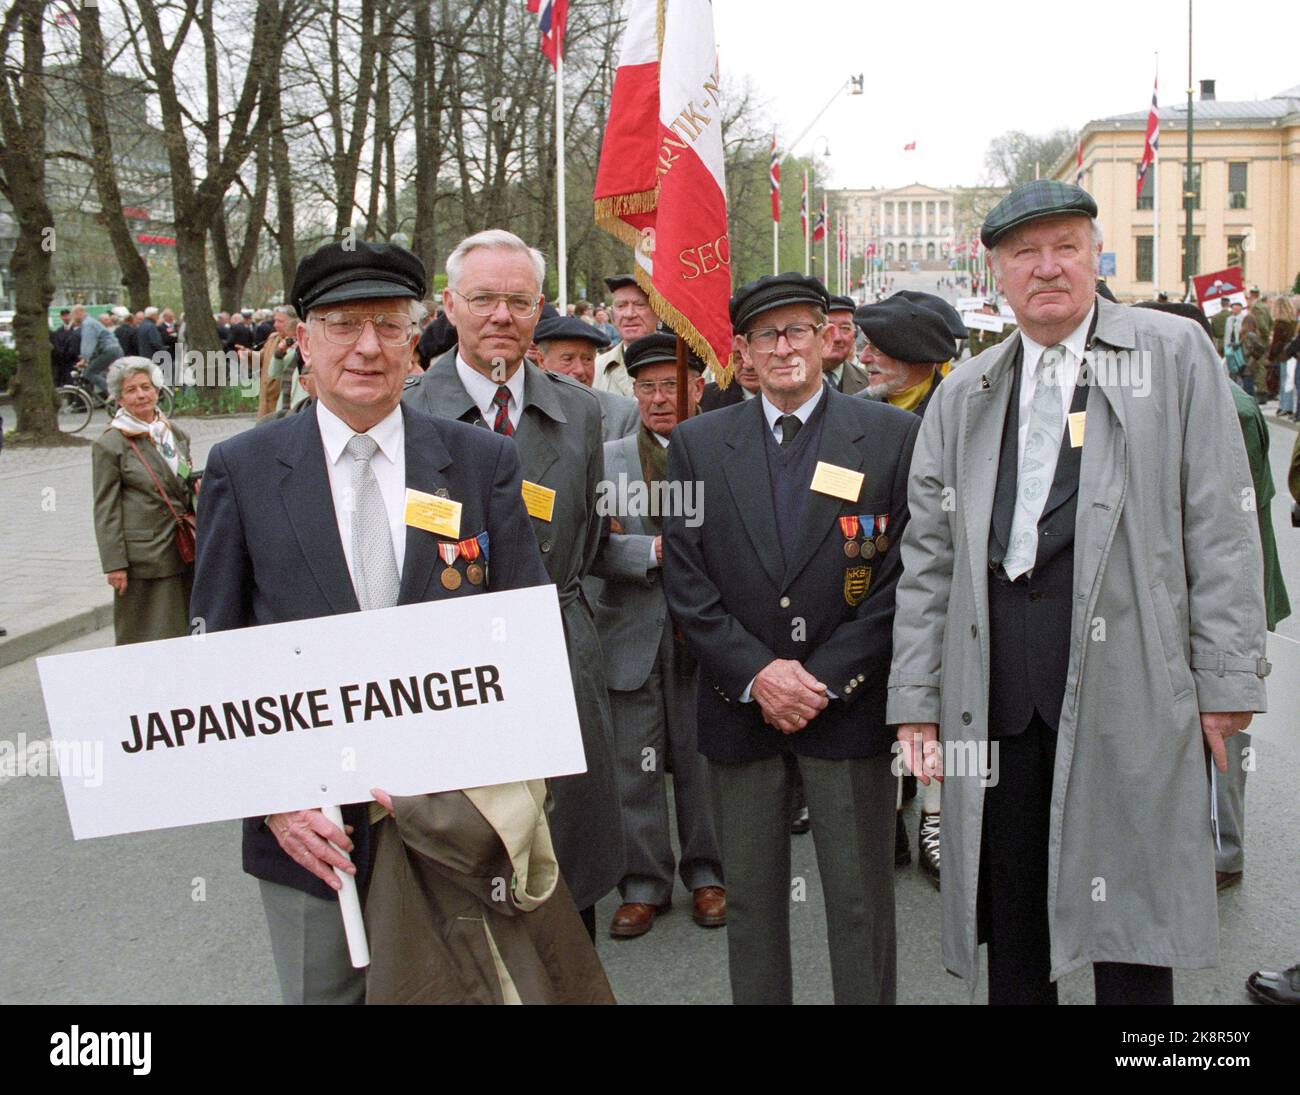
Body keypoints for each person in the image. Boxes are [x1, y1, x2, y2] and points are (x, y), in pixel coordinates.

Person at [192, 239, 609, 1005]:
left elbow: (525, 637)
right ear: (301, 339)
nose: (367, 347)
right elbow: (215, 658)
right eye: (343, 325)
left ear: (415, 338)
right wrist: (276, 800)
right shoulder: (242, 471)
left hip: (457, 819)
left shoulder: (479, 463)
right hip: (315, 839)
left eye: (388, 325)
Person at [889, 180, 1269, 1005]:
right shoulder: (968, 391)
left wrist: (1227, 679)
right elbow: (928, 560)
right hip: (1000, 702)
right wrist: (917, 699)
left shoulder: (1173, 356)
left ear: (1096, 254)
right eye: (1025, 252)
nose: (1047, 267)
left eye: (1065, 245)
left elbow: (1222, 523)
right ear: (998, 272)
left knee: (1129, 934)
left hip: (1129, 689)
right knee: (1015, 930)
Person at [664, 272, 920, 1005]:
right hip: (742, 710)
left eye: (798, 330)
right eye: (766, 335)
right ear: (741, 351)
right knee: (751, 907)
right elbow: (686, 579)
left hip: (846, 708)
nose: (784, 347)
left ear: (827, 340)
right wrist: (758, 674)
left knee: (861, 903)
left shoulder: (893, 436)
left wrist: (824, 678)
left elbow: (903, 577)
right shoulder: (697, 444)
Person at [403, 229, 626, 939]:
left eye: (519, 300)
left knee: (567, 858)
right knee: (463, 860)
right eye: (484, 299)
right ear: (450, 305)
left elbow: (588, 537)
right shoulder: (404, 411)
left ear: (539, 310)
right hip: (443, 660)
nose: (502, 315)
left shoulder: (580, 411)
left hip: (557, 647)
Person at [1135, 298, 1291, 893]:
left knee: (1225, 718)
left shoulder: (1231, 404)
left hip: (1224, 592)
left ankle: (1223, 848)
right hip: (1187, 588)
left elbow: (1228, 514)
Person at [589, 332, 725, 938]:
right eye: (646, 387)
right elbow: (588, 545)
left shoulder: (723, 450)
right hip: (631, 634)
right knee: (632, 767)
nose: (658, 398)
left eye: (670, 385)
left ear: (697, 387)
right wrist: (652, 549)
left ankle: (709, 876)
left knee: (701, 762)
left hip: (703, 637)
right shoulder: (608, 457)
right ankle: (642, 886)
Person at [853, 294, 952, 884]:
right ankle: (888, 810)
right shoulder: (856, 412)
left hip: (940, 585)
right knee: (881, 698)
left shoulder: (961, 409)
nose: (865, 358)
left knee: (937, 696)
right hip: (874, 581)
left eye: (878, 349)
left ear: (916, 357)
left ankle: (935, 819)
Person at [92, 358, 198, 646]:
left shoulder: (174, 433)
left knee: (185, 625)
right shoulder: (111, 444)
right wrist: (114, 564)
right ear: (119, 398)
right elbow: (106, 509)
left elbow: (185, 482)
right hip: (145, 556)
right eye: (131, 390)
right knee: (147, 632)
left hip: (184, 546)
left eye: (146, 387)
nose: (141, 395)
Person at [533, 314, 639, 442]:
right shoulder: (521, 410)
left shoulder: (624, 414)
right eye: (568, 359)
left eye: (587, 359)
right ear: (541, 361)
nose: (580, 370)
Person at [593, 274, 657, 397]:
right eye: (621, 306)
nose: (629, 314)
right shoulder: (597, 368)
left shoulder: (684, 366)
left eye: (639, 305)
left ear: (658, 311)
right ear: (612, 315)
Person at [255, 305, 297, 419]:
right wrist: (247, 354)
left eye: (280, 321)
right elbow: (262, 357)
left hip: (287, 398)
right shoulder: (273, 340)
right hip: (269, 398)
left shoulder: (301, 341)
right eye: (275, 321)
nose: (275, 325)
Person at [73, 305, 123, 398]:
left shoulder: (88, 324)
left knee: (89, 373)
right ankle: (115, 395)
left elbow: (88, 343)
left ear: (78, 313)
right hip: (114, 350)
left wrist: (84, 359)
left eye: (73, 315)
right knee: (105, 373)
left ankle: (112, 393)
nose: (73, 318)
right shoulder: (92, 322)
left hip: (109, 350)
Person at [822, 295, 869, 394]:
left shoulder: (869, 384)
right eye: (828, 328)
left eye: (845, 328)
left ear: (855, 334)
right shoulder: (791, 381)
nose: (837, 337)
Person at [1267, 295, 1296, 407]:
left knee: (1284, 381)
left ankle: (1284, 406)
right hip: (1292, 354)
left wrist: (1270, 356)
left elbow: (1277, 343)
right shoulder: (1293, 323)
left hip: (1282, 355)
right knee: (1289, 381)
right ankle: (1286, 405)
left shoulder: (1280, 324)